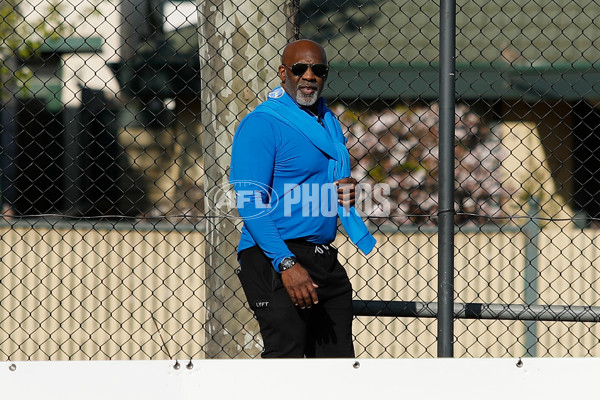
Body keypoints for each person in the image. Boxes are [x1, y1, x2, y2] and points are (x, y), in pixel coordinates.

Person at [229, 39, 376, 358]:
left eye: (318, 69)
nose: (309, 75)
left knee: (337, 368)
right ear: (283, 73)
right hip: (276, 254)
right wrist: (286, 263)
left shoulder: (329, 123)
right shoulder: (262, 124)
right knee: (287, 362)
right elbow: (250, 202)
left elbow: (318, 178)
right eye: (300, 68)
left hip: (323, 256)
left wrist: (345, 187)